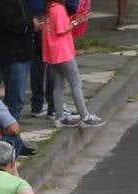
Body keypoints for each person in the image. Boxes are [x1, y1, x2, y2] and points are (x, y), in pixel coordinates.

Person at [45, 0, 103, 128]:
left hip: (53, 53)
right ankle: (85, 117)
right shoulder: (59, 8)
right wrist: (78, 21)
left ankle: (60, 117)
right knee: (76, 83)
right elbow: (61, 30)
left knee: (59, 85)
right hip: (63, 52)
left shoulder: (50, 8)